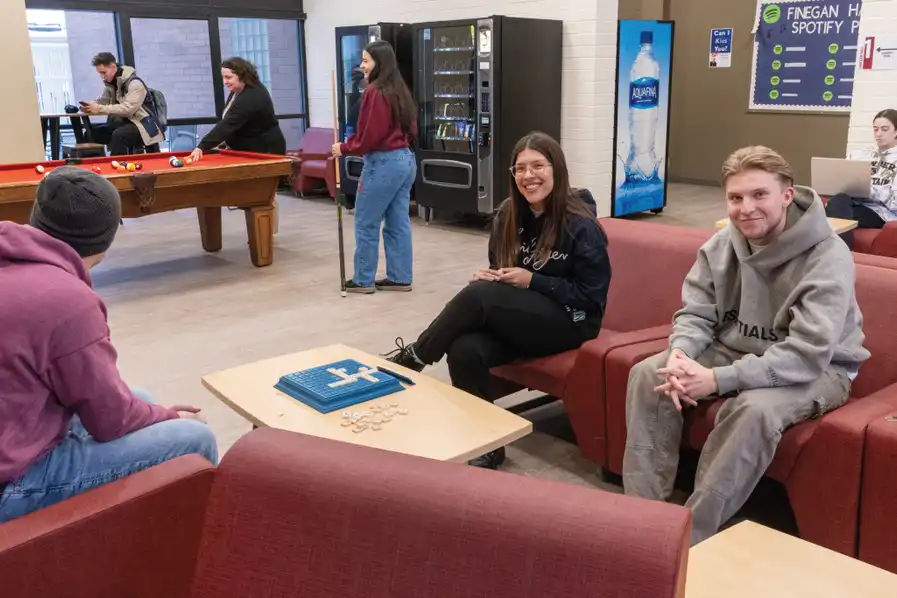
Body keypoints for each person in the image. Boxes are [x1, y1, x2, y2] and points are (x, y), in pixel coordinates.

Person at [622, 146, 869, 544]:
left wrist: (718, 380)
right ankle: (642, 519)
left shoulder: (827, 256)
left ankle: (686, 538)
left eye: (759, 195)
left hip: (822, 366)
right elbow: (697, 314)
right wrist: (682, 353)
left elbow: (807, 353)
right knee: (651, 372)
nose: (746, 208)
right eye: (736, 198)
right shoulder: (722, 244)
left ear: (787, 195)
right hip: (735, 347)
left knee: (753, 409)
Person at [0, 167, 218, 524]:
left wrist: (153, 414)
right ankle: (190, 555)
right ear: (104, 239)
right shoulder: (66, 300)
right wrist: (169, 417)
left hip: (12, 430)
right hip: (12, 484)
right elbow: (110, 420)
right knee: (194, 436)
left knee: (143, 397)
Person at [384, 132, 612, 469]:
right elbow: (502, 271)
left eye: (538, 166)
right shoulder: (508, 215)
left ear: (557, 170)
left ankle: (415, 357)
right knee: (464, 349)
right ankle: (488, 442)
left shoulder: (581, 226)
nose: (528, 176)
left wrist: (532, 280)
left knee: (478, 298)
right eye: (520, 168)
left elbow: (591, 301)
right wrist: (495, 277)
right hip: (526, 319)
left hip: (572, 323)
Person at [331, 40, 417, 294]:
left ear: (380, 63)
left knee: (366, 221)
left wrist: (344, 148)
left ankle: (363, 279)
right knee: (398, 221)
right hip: (405, 160)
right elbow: (411, 130)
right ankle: (400, 278)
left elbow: (370, 137)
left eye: (366, 60)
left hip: (383, 163)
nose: (362, 65)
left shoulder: (374, 92)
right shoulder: (399, 89)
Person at [189, 57, 286, 161]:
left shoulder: (252, 96)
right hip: (249, 149)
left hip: (266, 151)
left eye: (228, 77)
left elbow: (228, 123)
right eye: (223, 77)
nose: (224, 82)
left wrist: (202, 146)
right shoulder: (237, 90)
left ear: (242, 76)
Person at [824, 108, 897, 247]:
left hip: (880, 212)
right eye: (875, 129)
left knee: (834, 208)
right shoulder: (860, 155)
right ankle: (842, 252)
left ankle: (839, 252)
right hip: (852, 203)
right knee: (838, 199)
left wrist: (870, 191)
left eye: (884, 129)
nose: (879, 134)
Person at [81, 52, 164, 156]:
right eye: (100, 74)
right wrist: (91, 105)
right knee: (91, 134)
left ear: (112, 67)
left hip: (143, 124)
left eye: (103, 72)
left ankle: (117, 168)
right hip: (125, 123)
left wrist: (99, 108)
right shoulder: (111, 84)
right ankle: (93, 166)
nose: (102, 77)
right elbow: (103, 101)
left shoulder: (135, 83)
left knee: (119, 135)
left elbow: (128, 109)